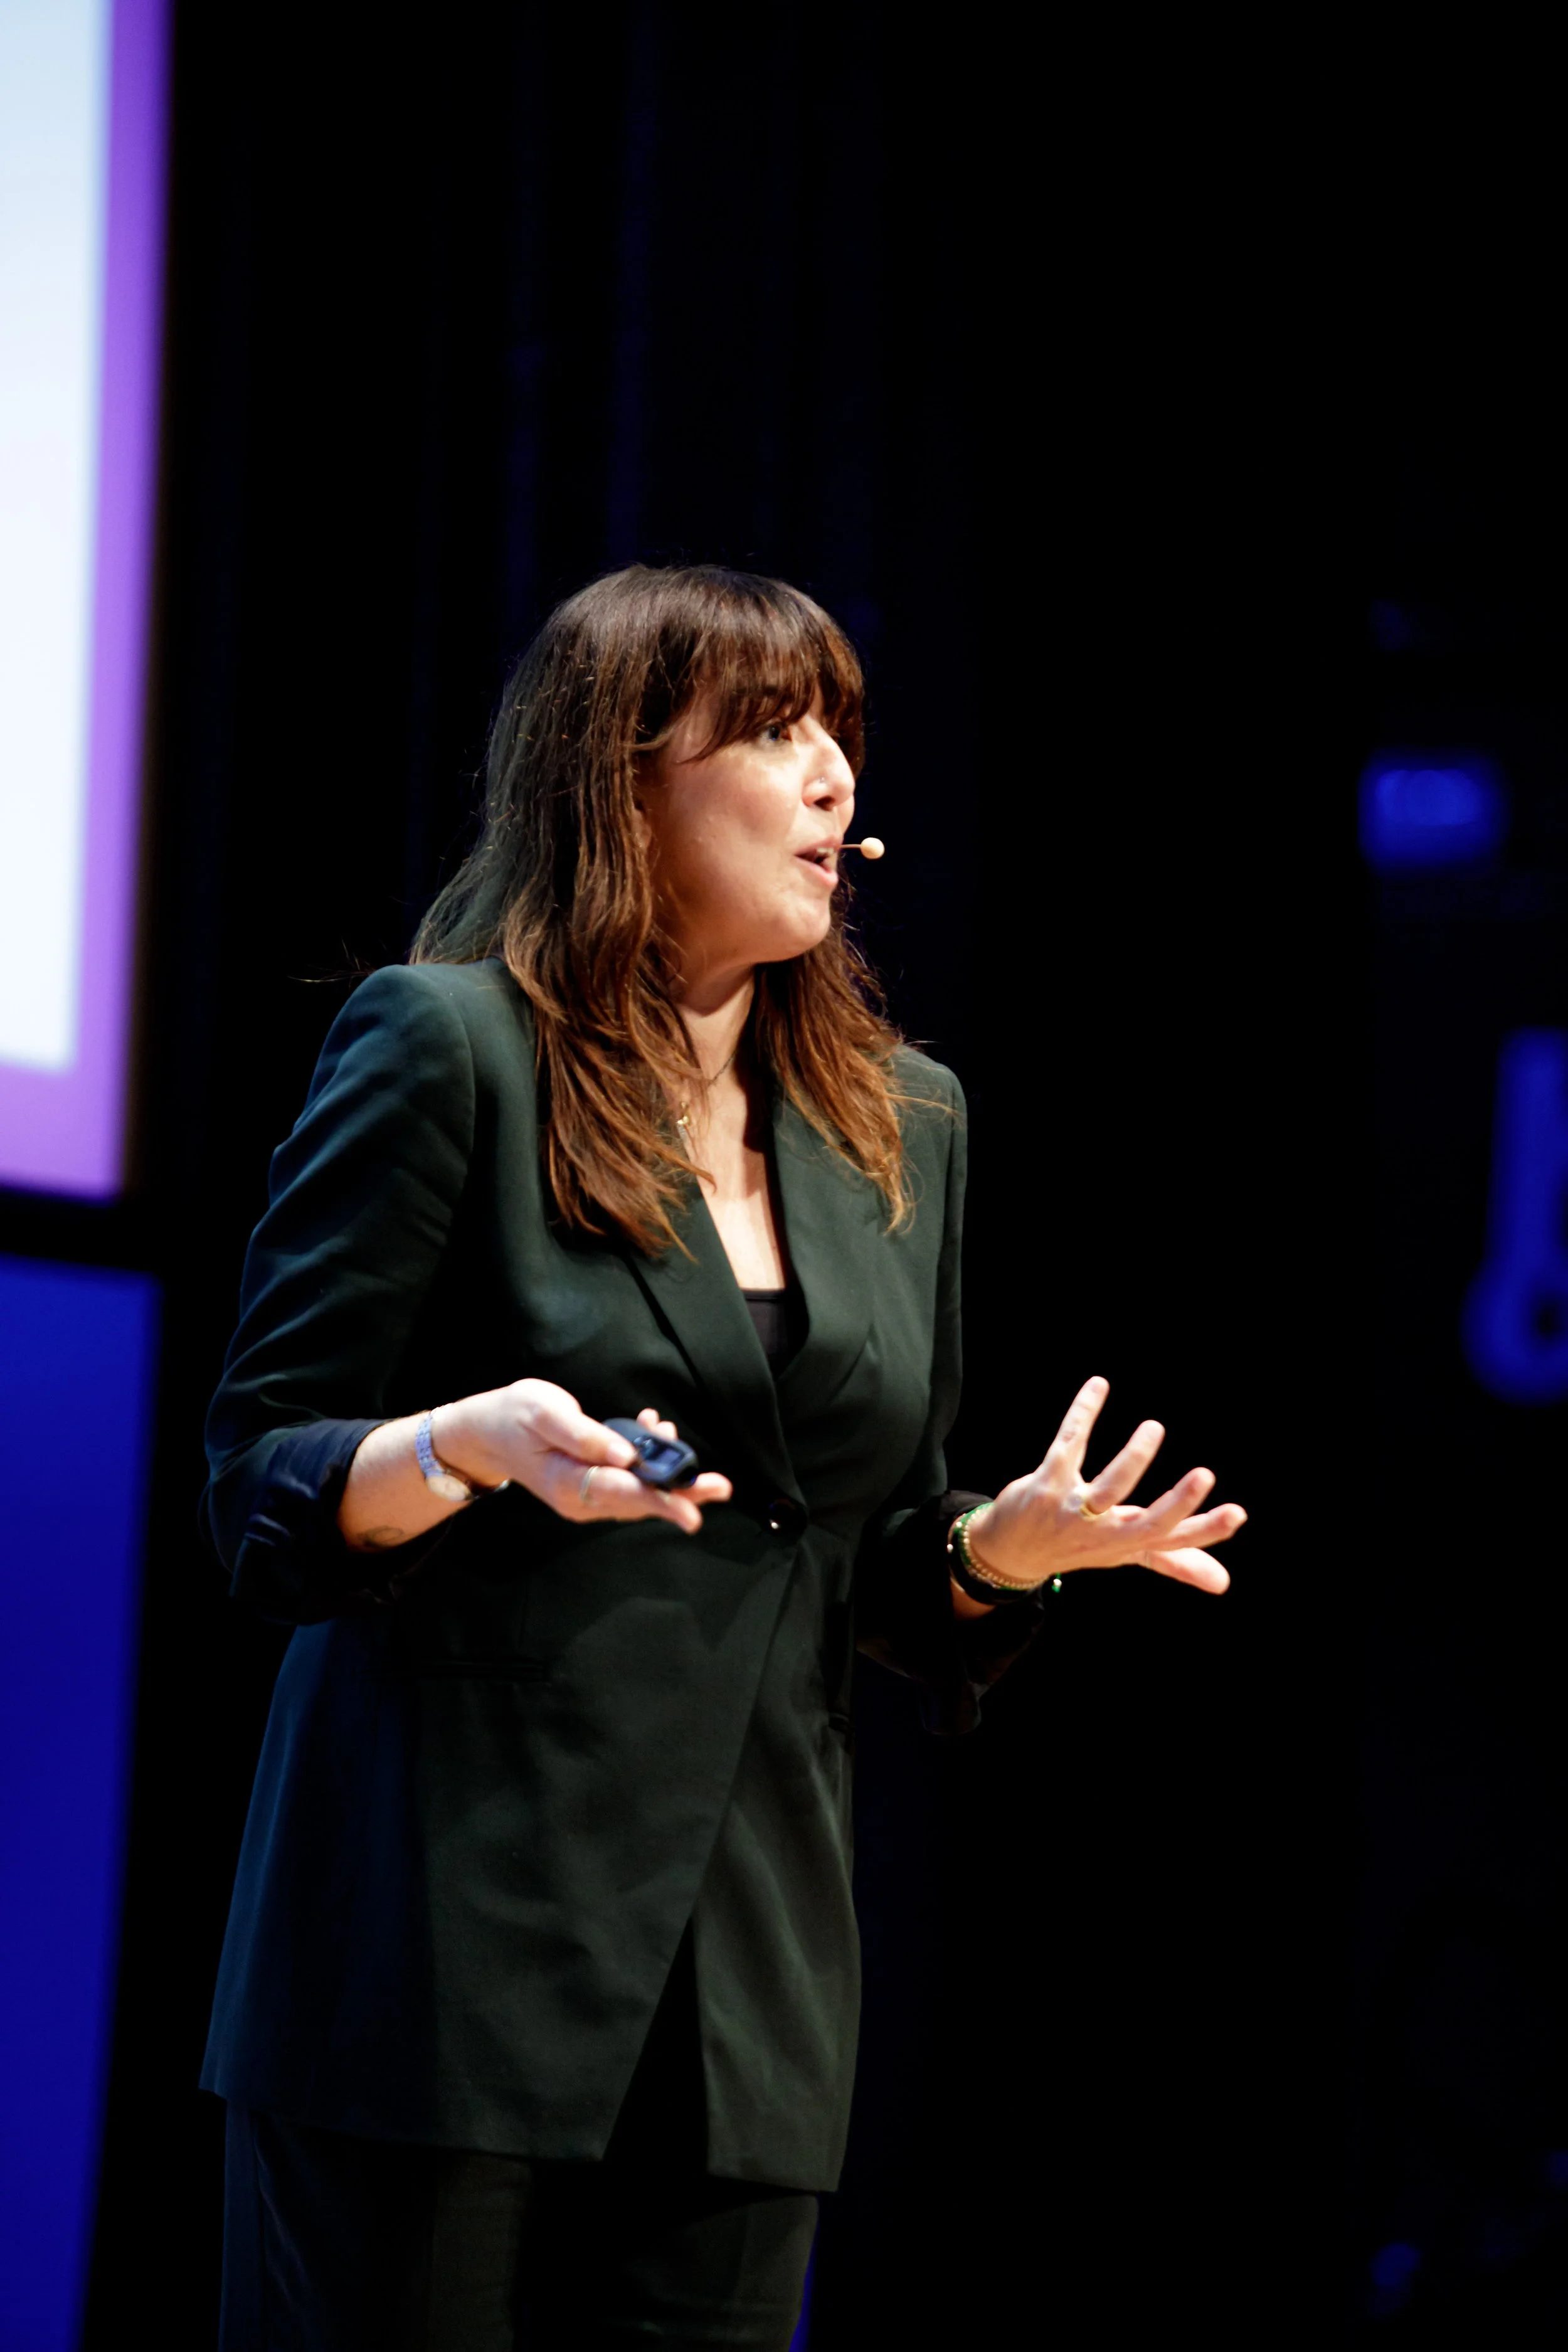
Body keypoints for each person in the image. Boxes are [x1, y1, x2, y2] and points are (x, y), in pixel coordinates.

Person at [201, 563, 1245, 2348]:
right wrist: (464, 1441)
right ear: (621, 778)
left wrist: (998, 1547)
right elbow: (258, 1484)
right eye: (773, 730)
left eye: (840, 729)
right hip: (436, 1958)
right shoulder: (448, 1045)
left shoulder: (902, 1117)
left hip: (745, 1983)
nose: (835, 773)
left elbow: (871, 1558)